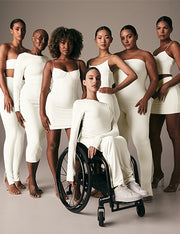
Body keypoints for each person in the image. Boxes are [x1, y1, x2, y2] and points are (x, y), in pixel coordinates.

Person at [67, 67, 148, 203]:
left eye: (98, 78)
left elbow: (115, 130)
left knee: (120, 139)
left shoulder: (106, 106)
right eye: (91, 78)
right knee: (110, 140)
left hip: (102, 141)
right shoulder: (80, 104)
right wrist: (71, 172)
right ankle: (118, 187)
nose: (95, 81)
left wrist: (99, 140)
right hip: (87, 143)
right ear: (84, 82)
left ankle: (130, 182)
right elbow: (74, 134)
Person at [114, 25, 159, 202]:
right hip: (119, 105)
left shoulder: (145, 55)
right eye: (123, 38)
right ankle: (124, 185)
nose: (126, 40)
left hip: (139, 104)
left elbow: (154, 79)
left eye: (129, 36)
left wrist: (146, 99)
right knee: (119, 144)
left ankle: (147, 188)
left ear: (136, 36)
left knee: (141, 142)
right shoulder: (116, 56)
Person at [40, 27, 86, 197]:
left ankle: (76, 184)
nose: (66, 46)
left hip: (73, 110)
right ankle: (57, 182)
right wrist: (42, 114)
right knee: (52, 145)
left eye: (70, 43)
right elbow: (44, 90)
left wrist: (84, 109)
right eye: (63, 42)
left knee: (76, 146)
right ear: (57, 44)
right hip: (53, 109)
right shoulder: (50, 64)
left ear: (75, 45)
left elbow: (86, 90)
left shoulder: (80, 64)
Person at [13, 29, 49, 198]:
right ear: (33, 39)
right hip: (27, 102)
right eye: (39, 38)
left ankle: (30, 176)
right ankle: (33, 181)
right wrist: (17, 108)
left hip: (44, 104)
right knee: (34, 140)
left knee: (39, 143)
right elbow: (17, 83)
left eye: (45, 39)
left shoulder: (48, 61)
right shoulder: (23, 57)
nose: (42, 41)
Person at [150, 16, 180, 192]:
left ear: (171, 29)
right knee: (152, 134)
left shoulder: (173, 45)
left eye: (165, 27)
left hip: (171, 91)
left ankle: (176, 176)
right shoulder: (155, 51)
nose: (162, 31)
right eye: (159, 28)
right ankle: (158, 172)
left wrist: (167, 85)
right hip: (158, 92)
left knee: (174, 135)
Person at [0, 18, 28, 195]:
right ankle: (9, 179)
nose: (20, 32)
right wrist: (6, 95)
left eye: (22, 29)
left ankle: (16, 176)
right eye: (17, 29)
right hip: (7, 92)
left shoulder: (26, 52)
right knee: (12, 134)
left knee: (21, 135)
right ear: (11, 30)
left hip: (22, 93)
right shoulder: (5, 47)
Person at [87, 26, 137, 123]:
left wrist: (115, 89)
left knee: (109, 132)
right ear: (95, 40)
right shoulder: (90, 62)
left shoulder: (113, 58)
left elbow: (132, 75)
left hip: (107, 99)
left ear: (111, 40)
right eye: (100, 37)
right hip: (92, 101)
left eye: (106, 37)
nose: (103, 41)